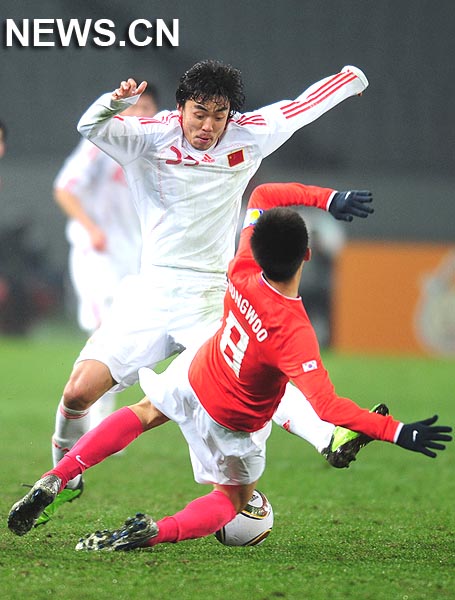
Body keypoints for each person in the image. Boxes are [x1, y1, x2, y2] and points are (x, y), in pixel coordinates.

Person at [7, 183, 452, 545]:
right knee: (233, 498)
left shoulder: (241, 268)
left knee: (143, 412)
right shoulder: (294, 331)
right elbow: (330, 406)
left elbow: (261, 196)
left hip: (199, 370)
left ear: (256, 247)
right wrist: (400, 432)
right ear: (307, 257)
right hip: (232, 422)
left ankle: (58, 476)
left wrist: (327, 198)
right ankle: (155, 532)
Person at [43, 59, 375, 522]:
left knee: (252, 376)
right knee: (78, 394)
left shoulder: (248, 134)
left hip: (209, 300)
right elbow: (90, 125)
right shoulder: (150, 134)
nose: (207, 126)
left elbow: (301, 107)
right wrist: (116, 102)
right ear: (181, 108)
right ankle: (64, 473)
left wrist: (351, 80)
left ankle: (329, 437)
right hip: (151, 293)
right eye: (199, 113)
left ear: (230, 116)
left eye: (218, 116)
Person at [53, 84, 159, 430]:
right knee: (104, 326)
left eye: (149, 108)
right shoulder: (100, 145)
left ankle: (91, 407)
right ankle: (92, 414)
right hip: (97, 252)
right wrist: (91, 228)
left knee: (123, 328)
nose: (142, 113)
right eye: (137, 106)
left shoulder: (154, 147)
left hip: (136, 253)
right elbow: (64, 188)